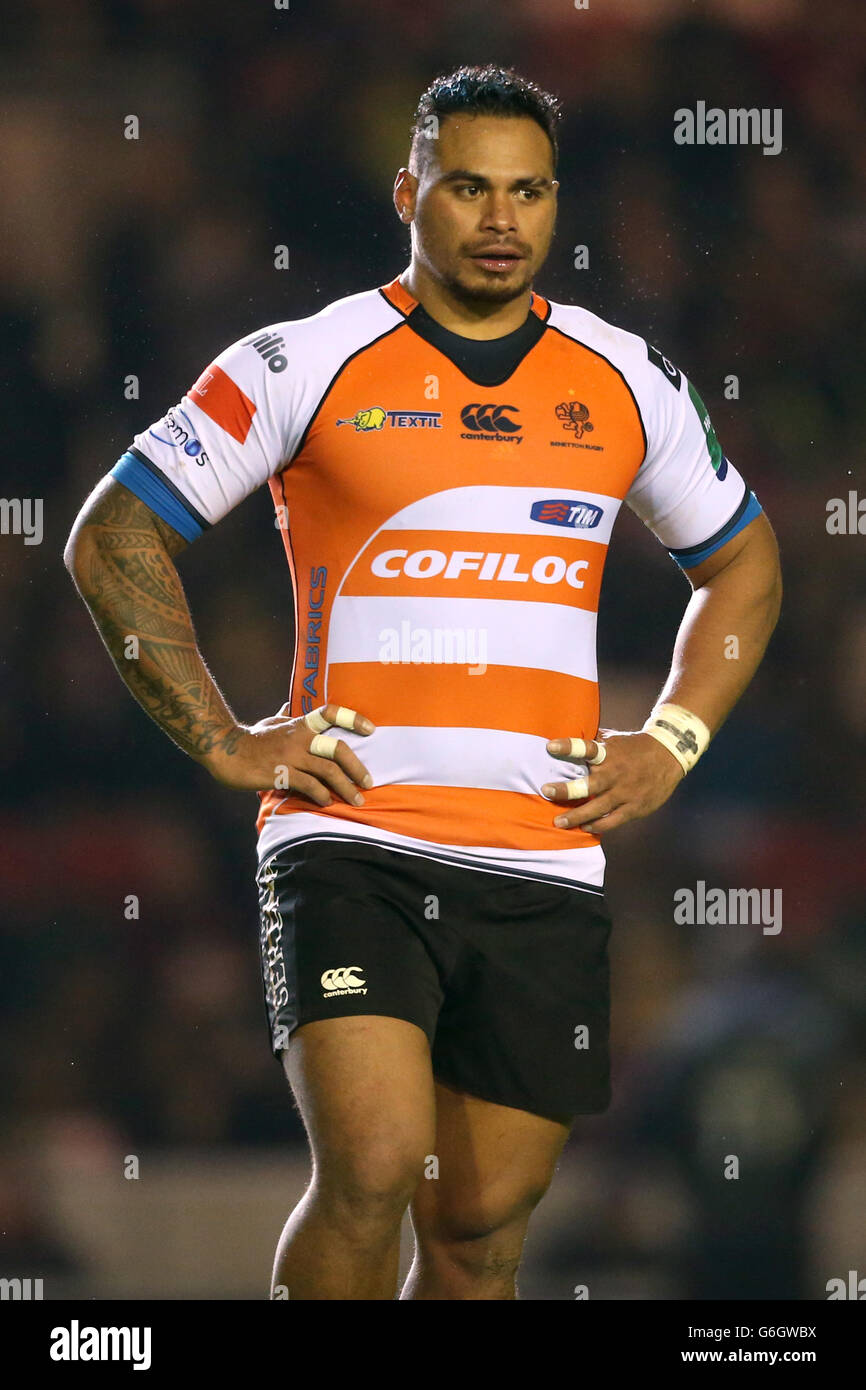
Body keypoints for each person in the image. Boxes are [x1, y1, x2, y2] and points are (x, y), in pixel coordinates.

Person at [63, 64, 782, 1300]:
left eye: (526, 192)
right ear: (409, 192)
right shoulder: (302, 360)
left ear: (554, 206)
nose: (499, 219)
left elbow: (745, 562)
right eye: (466, 187)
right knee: (375, 1165)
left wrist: (671, 740)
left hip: (544, 855)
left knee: (483, 1223)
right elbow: (112, 537)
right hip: (350, 838)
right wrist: (226, 739)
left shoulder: (625, 380)